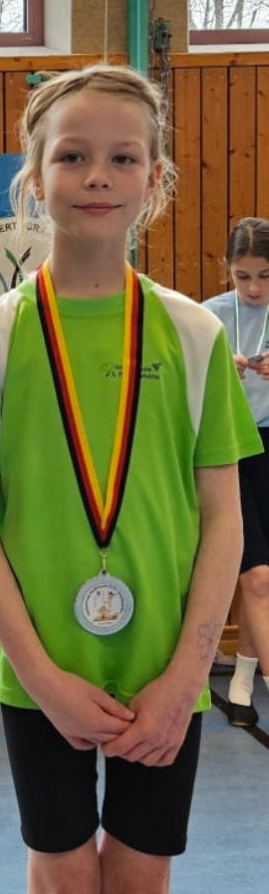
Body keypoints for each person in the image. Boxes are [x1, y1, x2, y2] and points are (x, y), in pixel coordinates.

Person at [0, 64, 258, 893]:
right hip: (39, 667)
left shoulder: (194, 333)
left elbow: (224, 518)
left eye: (123, 159)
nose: (96, 177)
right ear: (34, 175)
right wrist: (41, 678)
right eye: (72, 156)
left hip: (165, 665)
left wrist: (187, 676)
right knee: (62, 871)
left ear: (154, 179)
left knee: (142, 874)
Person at [202, 216, 269, 727]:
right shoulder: (209, 318)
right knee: (257, 576)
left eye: (264, 276)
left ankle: (243, 680)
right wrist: (219, 369)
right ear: (228, 269)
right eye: (242, 276)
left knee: (264, 583)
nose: (253, 287)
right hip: (230, 451)